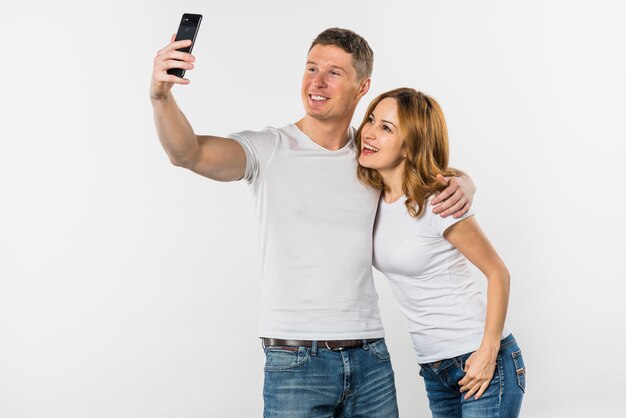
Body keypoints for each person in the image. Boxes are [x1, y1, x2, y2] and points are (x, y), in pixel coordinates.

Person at [150, 28, 475, 417]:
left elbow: (423, 171)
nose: (316, 82)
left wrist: (464, 182)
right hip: (295, 363)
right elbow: (189, 152)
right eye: (311, 68)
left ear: (362, 86)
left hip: (370, 356)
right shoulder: (269, 149)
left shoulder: (370, 156)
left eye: (334, 72)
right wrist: (160, 96)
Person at [356, 87, 525, 417]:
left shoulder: (439, 202)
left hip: (479, 357)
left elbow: (497, 272)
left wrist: (488, 351)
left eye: (387, 128)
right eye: (371, 120)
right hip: (434, 369)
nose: (370, 133)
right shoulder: (371, 198)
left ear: (410, 145)